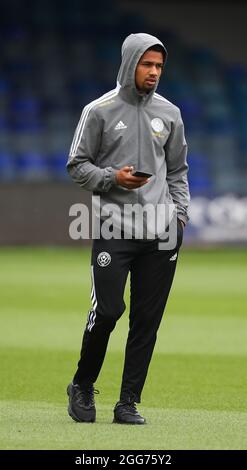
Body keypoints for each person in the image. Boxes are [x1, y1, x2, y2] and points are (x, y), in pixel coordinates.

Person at [66, 32, 190, 425]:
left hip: (161, 232)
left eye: (159, 67)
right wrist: (112, 178)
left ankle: (127, 402)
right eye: (147, 64)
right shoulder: (98, 110)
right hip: (112, 228)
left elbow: (178, 170)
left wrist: (180, 215)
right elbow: (76, 165)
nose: (154, 72)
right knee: (108, 310)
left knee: (146, 322)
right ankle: (82, 386)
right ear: (129, 63)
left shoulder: (169, 113)